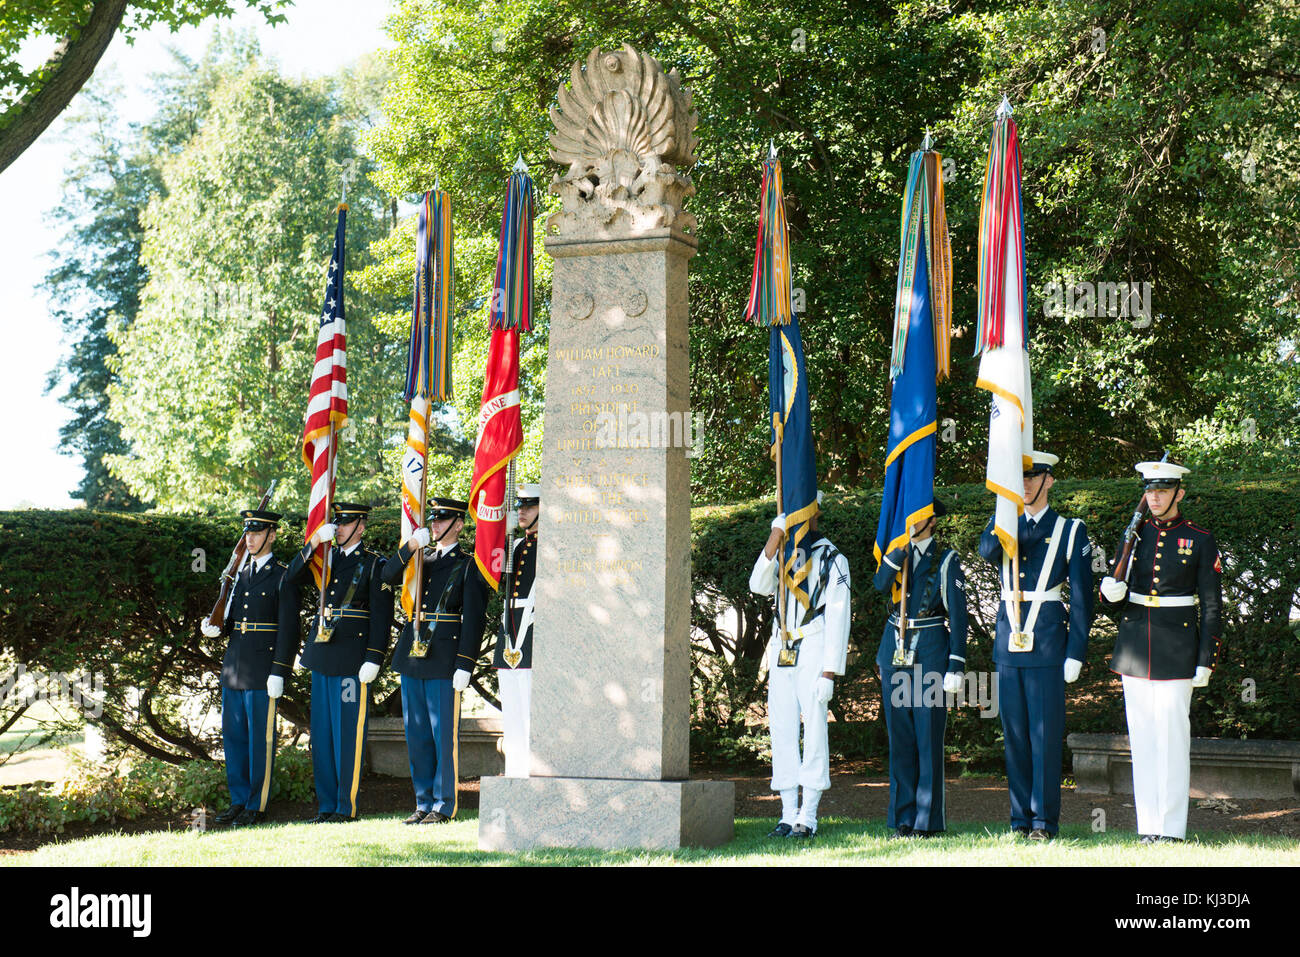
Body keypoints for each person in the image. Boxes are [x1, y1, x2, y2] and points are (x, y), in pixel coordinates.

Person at [1099, 460, 1222, 844]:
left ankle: (1172, 829)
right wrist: (1109, 596)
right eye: (1149, 490)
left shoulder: (1199, 538)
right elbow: (1115, 595)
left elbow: (1213, 604)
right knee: (1142, 739)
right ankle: (1148, 826)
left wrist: (1206, 659)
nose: (1154, 497)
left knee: (1172, 738)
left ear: (1178, 493)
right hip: (1136, 646)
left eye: (1163, 490)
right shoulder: (1133, 535)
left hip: (1177, 647)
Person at [978, 450, 1094, 840]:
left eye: (1033, 477)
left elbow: (1082, 597)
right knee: (1014, 735)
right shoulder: (1005, 522)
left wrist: (1076, 650)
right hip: (1009, 641)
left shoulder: (1070, 529)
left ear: (1050, 481)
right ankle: (1019, 819)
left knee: (1044, 735)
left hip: (1046, 640)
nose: (1025, 484)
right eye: (1020, 477)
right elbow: (987, 552)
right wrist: (1005, 513)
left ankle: (1043, 821)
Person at [276, 502, 392, 823]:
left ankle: (344, 807)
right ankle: (326, 805)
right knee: (324, 735)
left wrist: (374, 657)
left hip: (351, 661)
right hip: (322, 655)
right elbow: (288, 580)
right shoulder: (323, 560)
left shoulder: (373, 565)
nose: (338, 528)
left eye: (344, 523)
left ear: (361, 526)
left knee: (346, 735)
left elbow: (382, 618)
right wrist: (313, 543)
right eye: (336, 523)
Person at [381, 496, 489, 824]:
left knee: (443, 735)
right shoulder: (419, 560)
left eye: (442, 520)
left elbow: (474, 619)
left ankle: (443, 805)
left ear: (458, 524)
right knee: (417, 734)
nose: (435, 525)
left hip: (444, 658)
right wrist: (412, 546)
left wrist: (465, 663)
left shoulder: (469, 565)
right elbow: (386, 575)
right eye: (433, 520)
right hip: (413, 656)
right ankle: (422, 801)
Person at [749, 496, 851, 840]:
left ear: (814, 515)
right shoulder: (782, 554)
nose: (797, 522)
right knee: (781, 728)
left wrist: (829, 671)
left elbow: (839, 616)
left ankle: (808, 814)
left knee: (815, 732)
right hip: (782, 647)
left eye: (802, 515)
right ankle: (787, 812)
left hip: (813, 644)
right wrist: (775, 536)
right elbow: (757, 586)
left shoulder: (833, 559)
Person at [872, 499, 967, 837]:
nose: (912, 519)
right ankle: (902, 816)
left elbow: (958, 615)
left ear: (932, 521)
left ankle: (927, 820)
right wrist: (896, 556)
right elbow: (880, 585)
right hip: (895, 648)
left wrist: (957, 662)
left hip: (929, 650)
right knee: (901, 739)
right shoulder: (896, 552)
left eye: (920, 514)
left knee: (927, 739)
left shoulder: (946, 560)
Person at [202, 508, 300, 826]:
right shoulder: (239, 575)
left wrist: (280, 671)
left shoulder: (283, 575)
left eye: (257, 533)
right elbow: (233, 619)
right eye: (248, 533)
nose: (251, 538)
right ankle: (238, 799)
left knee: (261, 740)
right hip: (234, 668)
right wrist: (215, 626)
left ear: (272, 535)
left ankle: (256, 804)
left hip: (262, 670)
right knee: (234, 738)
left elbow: (289, 629)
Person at [493, 484, 539, 778]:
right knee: (511, 705)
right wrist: (503, 537)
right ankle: (516, 770)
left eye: (529, 505)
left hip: (533, 626)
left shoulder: (552, 546)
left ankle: (533, 770)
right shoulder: (517, 546)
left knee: (531, 706)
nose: (521, 511)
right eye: (519, 505)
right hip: (510, 623)